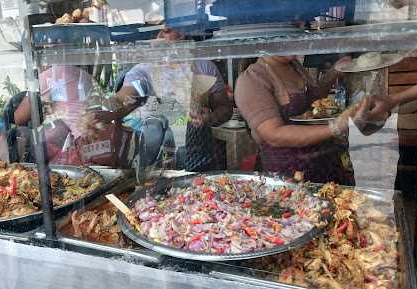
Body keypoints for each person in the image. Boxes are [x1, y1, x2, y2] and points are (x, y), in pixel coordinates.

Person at [235, 55, 369, 184]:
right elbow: (273, 134)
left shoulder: (295, 67)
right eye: (284, 39)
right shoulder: (252, 80)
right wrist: (336, 127)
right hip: (287, 173)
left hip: (325, 163)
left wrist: (334, 72)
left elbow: (313, 101)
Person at [115, 28, 232, 171]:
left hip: (196, 154)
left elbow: (225, 108)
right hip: (153, 157)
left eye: (166, 31)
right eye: (154, 32)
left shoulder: (204, 67)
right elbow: (127, 97)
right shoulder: (142, 71)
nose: (158, 36)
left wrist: (210, 117)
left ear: (181, 33)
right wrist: (109, 107)